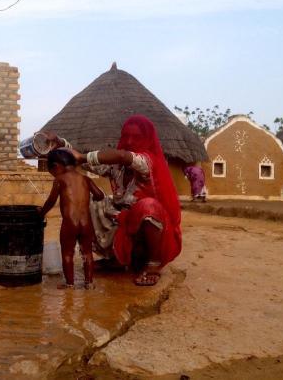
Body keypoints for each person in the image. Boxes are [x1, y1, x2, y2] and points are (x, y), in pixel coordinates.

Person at [65, 115, 182, 286]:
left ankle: (153, 264)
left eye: (136, 137)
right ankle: (116, 260)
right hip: (125, 224)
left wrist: (83, 157)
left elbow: (121, 156)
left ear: (146, 139)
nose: (129, 141)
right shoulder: (117, 168)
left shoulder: (147, 161)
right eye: (126, 136)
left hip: (152, 231)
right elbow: (86, 164)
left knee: (148, 207)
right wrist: (61, 145)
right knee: (91, 202)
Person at [40, 148, 104, 289]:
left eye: (52, 172)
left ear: (56, 166)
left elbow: (51, 201)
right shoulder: (85, 179)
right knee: (87, 252)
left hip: (70, 223)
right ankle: (89, 282)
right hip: (86, 223)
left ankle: (70, 284)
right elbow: (100, 195)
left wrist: (41, 212)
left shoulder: (60, 180)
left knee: (67, 253)